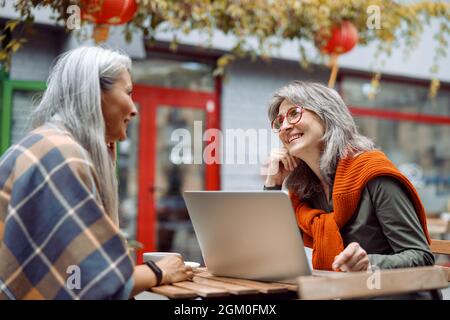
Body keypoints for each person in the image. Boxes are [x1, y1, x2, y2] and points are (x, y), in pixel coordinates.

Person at [0, 46, 193, 300]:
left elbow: (67, 274)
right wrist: (158, 272)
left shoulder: (45, 143)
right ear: (95, 93)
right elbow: (90, 284)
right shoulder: (63, 154)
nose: (134, 109)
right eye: (128, 93)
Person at [265, 81, 439, 299]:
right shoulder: (304, 192)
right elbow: (270, 252)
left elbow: (421, 256)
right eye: (279, 122)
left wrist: (370, 263)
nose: (284, 127)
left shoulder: (374, 173)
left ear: (327, 115)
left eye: (293, 113)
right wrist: (272, 184)